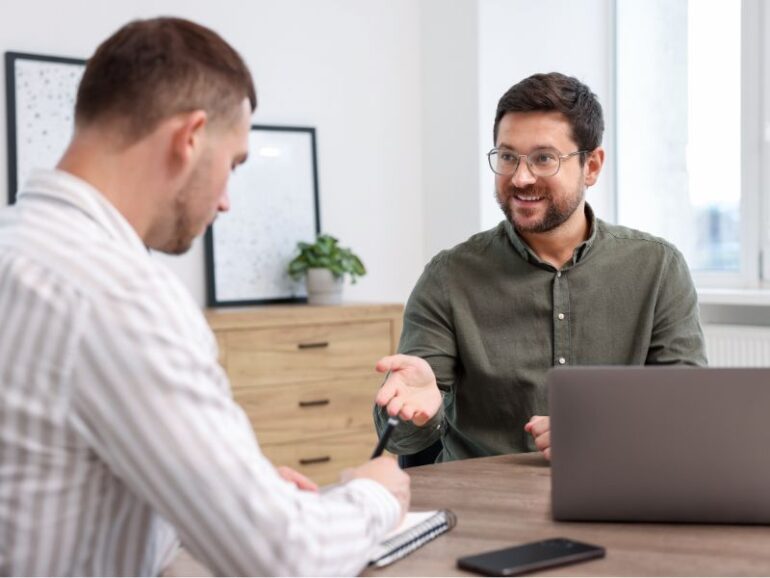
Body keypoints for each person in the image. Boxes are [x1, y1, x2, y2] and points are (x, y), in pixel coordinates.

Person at [0, 18, 409, 577]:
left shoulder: (18, 248)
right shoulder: (121, 297)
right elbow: (285, 557)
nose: (225, 203)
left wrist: (234, 490)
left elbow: (53, 483)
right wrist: (374, 493)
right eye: (233, 164)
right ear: (190, 138)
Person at [373, 72, 707, 464]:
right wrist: (416, 415)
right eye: (508, 156)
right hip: (481, 503)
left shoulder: (658, 268)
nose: (520, 177)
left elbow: (688, 411)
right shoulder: (449, 277)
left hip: (617, 488)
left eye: (544, 158)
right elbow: (405, 443)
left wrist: (599, 428)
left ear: (592, 166)